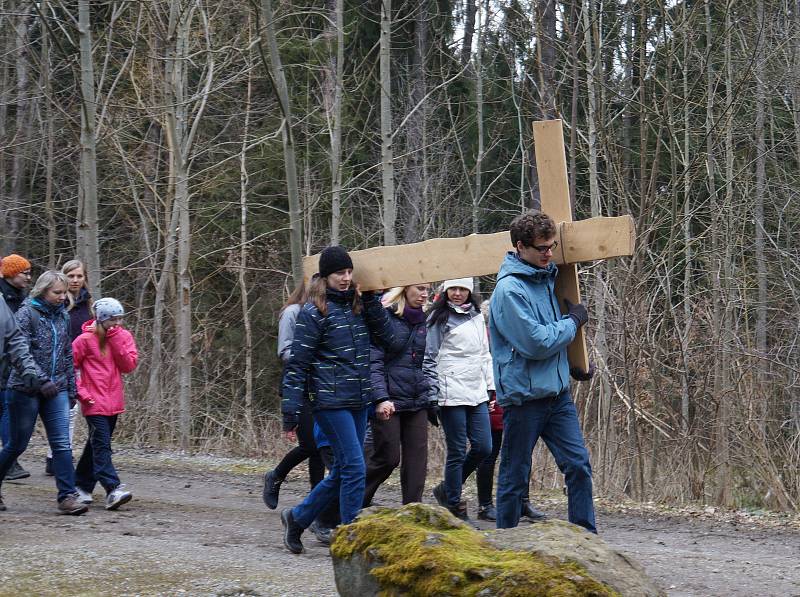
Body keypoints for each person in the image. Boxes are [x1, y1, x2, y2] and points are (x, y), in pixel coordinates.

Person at [279, 246, 394, 554]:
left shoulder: (358, 306)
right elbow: (297, 364)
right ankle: (350, 539)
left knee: (345, 470)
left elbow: (390, 338)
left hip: (358, 399)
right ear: (325, 276)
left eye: (348, 272)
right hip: (329, 402)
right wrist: (290, 410)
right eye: (338, 274)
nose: (345, 278)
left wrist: (370, 299)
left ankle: (297, 517)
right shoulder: (314, 312)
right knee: (356, 468)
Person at [489, 210, 596, 532]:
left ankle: (585, 538)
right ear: (521, 247)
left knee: (578, 465)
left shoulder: (547, 277)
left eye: (551, 246)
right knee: (515, 474)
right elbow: (535, 343)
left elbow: (551, 339)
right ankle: (505, 543)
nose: (549, 253)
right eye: (542, 248)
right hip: (524, 399)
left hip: (557, 395)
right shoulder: (509, 292)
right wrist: (574, 321)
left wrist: (572, 365)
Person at [0, 271, 87, 515]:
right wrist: (40, 380)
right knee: (17, 444)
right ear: (42, 291)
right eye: (56, 293)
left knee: (61, 443)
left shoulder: (62, 316)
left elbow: (68, 355)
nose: (62, 297)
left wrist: (71, 389)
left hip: (57, 388)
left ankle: (67, 496)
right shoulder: (26, 314)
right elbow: (19, 351)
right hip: (24, 388)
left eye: (64, 293)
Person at [424, 277, 494, 521]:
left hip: (476, 391)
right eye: (453, 289)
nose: (457, 293)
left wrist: (490, 386)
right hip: (449, 391)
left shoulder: (477, 316)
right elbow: (429, 358)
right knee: (456, 451)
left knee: (484, 446)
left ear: (469, 291)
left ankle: (446, 489)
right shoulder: (437, 319)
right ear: (445, 291)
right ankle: (454, 505)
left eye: (462, 289)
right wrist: (432, 395)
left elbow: (485, 354)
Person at [362, 284, 435, 507]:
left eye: (428, 290)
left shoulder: (425, 321)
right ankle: (348, 504)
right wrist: (380, 398)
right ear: (404, 289)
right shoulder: (385, 318)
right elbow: (373, 362)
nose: (424, 294)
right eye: (420, 288)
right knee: (388, 458)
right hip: (388, 398)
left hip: (416, 398)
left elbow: (425, 362)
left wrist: (431, 393)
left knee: (417, 461)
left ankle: (413, 512)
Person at [474, 302, 547, 523]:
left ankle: (523, 501)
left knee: (522, 452)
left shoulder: (520, 335)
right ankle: (485, 504)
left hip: (518, 397)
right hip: (491, 397)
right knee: (490, 453)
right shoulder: (483, 337)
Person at [262, 279, 325, 510]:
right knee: (310, 444)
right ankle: (276, 475)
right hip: (298, 384)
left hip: (321, 384)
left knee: (319, 445)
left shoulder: (326, 313)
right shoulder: (292, 312)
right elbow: (285, 350)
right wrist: (312, 358)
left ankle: (315, 500)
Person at [72, 297, 138, 510]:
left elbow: (128, 365)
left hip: (114, 402)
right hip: (93, 402)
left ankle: (81, 486)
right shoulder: (84, 340)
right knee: (102, 446)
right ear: (100, 319)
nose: (117, 324)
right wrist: (82, 393)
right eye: (112, 320)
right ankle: (113, 489)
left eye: (120, 319)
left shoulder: (123, 336)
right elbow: (69, 367)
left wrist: (116, 338)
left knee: (95, 446)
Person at [43, 259, 94, 476]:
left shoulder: (89, 304)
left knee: (77, 411)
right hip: (60, 363)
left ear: (85, 278)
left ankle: (59, 456)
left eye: (79, 276)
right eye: (71, 276)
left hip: (83, 364)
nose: (75, 280)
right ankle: (56, 456)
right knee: (64, 411)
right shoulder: (60, 301)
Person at [0, 254, 33, 480]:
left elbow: (16, 337)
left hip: (12, 365)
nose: (29, 278)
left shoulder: (23, 297)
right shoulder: (4, 298)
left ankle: (9, 461)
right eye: (25, 273)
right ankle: (9, 462)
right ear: (11, 273)